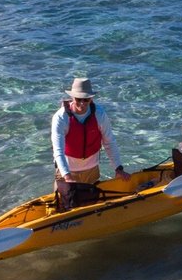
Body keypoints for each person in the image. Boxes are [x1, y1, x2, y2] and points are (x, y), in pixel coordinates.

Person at [51, 77, 130, 205]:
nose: (82, 103)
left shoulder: (99, 114)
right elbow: (58, 151)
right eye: (78, 99)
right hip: (67, 171)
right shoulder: (61, 118)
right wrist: (67, 176)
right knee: (63, 206)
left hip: (91, 170)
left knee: (91, 205)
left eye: (86, 99)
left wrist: (118, 168)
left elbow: (109, 142)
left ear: (91, 99)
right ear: (72, 98)